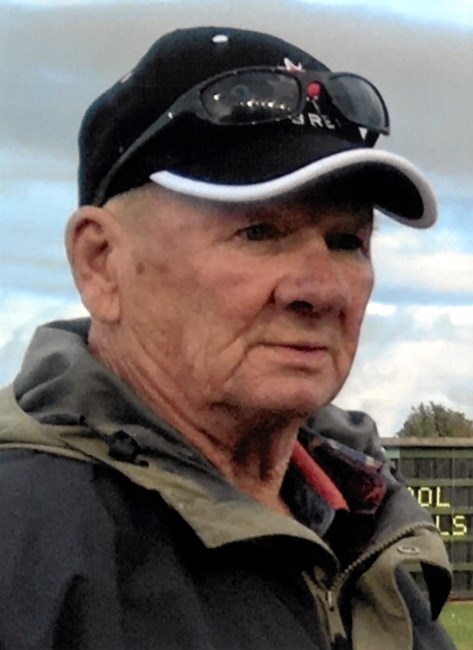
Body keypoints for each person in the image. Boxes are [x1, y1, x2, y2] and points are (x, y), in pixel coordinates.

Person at [0, 26, 456, 650]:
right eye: (259, 233)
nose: (322, 289)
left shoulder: (371, 532)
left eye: (347, 241)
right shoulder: (25, 546)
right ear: (100, 263)